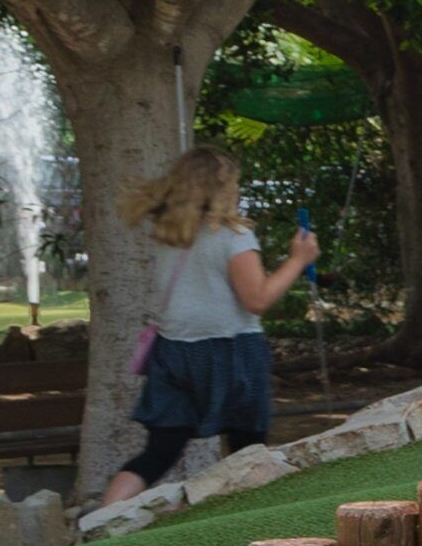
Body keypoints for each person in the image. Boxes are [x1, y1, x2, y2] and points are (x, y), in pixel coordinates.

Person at [100, 146, 308, 507]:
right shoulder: (234, 236)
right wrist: (299, 259)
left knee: (157, 453)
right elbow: (257, 299)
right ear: (224, 188)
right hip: (232, 352)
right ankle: (247, 523)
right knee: (248, 449)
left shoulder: (171, 235)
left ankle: (102, 521)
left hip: (173, 352)